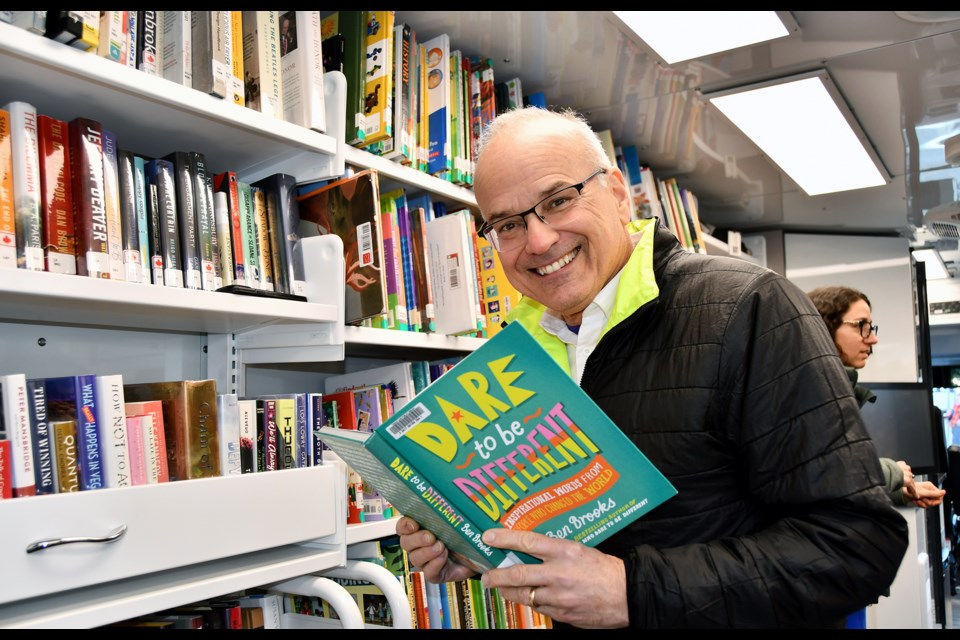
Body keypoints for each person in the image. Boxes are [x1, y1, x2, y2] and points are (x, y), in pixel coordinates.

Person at [396, 105, 909, 628]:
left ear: (618, 194)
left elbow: (858, 546)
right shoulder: (515, 354)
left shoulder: (750, 308)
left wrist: (632, 591)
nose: (539, 241)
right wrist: (474, 541)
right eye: (507, 224)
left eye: (557, 200)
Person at [807, 285, 946, 509]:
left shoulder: (835, 388)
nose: (872, 339)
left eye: (871, 328)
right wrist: (889, 472)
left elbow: (834, 489)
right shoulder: (808, 390)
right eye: (861, 326)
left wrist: (900, 494)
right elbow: (814, 477)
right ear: (824, 327)